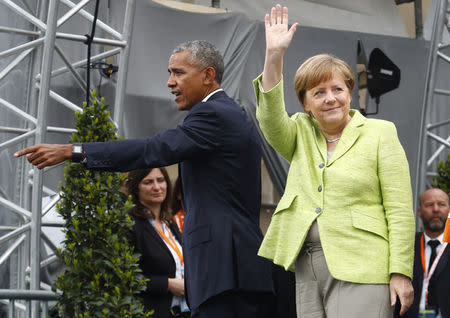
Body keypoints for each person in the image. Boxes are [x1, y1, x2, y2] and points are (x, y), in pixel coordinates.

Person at [15, 40, 274, 318]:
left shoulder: (214, 113)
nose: (170, 83)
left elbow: (153, 149)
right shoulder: (225, 114)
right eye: (169, 73)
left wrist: (75, 150)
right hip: (228, 272)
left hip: (225, 273)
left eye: (178, 73)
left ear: (208, 76)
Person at [254, 4, 415, 318]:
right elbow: (270, 118)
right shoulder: (299, 132)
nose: (330, 98)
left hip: (363, 266)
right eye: (318, 92)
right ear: (305, 102)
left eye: (337, 89)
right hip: (306, 267)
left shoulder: (380, 133)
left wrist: (400, 271)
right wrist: (274, 55)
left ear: (349, 93)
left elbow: (399, 210)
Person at [127, 167, 189, 317]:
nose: (157, 187)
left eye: (160, 180)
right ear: (136, 188)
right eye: (148, 182)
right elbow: (125, 277)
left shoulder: (168, 222)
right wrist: (168, 284)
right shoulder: (130, 225)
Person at [399, 188, 449, 318]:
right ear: (419, 212)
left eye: (442, 204)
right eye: (429, 205)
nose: (436, 209)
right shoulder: (406, 245)